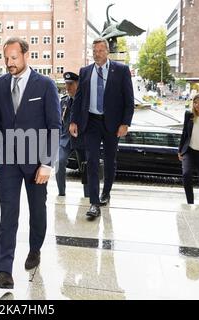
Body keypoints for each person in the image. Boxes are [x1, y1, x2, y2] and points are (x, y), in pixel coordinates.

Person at [0, 37, 61, 289]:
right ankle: (4, 271)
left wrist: (47, 164)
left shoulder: (46, 86)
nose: (9, 63)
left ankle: (35, 249)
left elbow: (54, 127)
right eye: (6, 58)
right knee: (8, 214)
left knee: (37, 211)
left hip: (36, 161)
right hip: (6, 161)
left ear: (26, 55)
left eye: (14, 58)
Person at [69, 38, 134, 219]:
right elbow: (79, 99)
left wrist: (125, 123)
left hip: (113, 124)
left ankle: (106, 192)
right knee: (91, 161)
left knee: (110, 160)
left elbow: (129, 100)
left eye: (100, 50)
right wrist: (74, 121)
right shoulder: (85, 71)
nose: (97, 54)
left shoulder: (121, 70)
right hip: (91, 123)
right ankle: (94, 203)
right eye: (94, 50)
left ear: (107, 52)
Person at [55, 71, 84, 196]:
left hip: (81, 139)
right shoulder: (64, 102)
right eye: (66, 84)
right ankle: (61, 192)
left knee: (85, 167)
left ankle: (88, 195)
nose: (67, 87)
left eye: (71, 84)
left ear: (77, 84)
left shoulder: (84, 101)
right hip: (65, 139)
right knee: (59, 162)